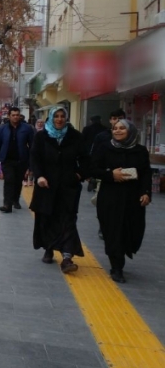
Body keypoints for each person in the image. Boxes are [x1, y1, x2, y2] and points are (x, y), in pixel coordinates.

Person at [88, 119, 151, 283]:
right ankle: (116, 266)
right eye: (115, 128)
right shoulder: (105, 148)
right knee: (112, 230)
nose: (117, 131)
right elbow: (92, 169)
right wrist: (111, 175)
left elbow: (145, 173)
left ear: (130, 131)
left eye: (122, 128)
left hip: (132, 198)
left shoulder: (140, 151)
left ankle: (121, 256)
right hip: (110, 196)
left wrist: (146, 192)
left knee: (131, 229)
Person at [29, 106, 88, 273]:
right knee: (47, 218)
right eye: (56, 116)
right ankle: (48, 248)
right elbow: (35, 158)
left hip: (68, 187)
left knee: (68, 220)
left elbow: (86, 159)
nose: (60, 119)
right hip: (46, 186)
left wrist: (79, 175)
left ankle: (67, 257)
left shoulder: (75, 136)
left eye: (63, 116)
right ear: (51, 118)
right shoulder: (41, 136)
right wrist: (39, 176)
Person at [90, 109, 126, 239]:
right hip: (105, 176)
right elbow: (94, 158)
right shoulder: (102, 136)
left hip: (125, 176)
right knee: (103, 203)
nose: (117, 121)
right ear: (110, 120)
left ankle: (120, 227)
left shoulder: (130, 135)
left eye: (120, 118)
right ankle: (103, 226)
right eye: (114, 118)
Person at [0, 107, 35, 213]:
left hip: (21, 160)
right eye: (13, 115)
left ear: (20, 116)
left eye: (17, 115)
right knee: (9, 180)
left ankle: (15, 200)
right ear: (9, 116)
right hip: (7, 159)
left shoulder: (27, 128)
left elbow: (32, 146)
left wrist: (31, 164)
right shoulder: (3, 128)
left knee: (17, 181)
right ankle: (7, 204)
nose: (15, 117)